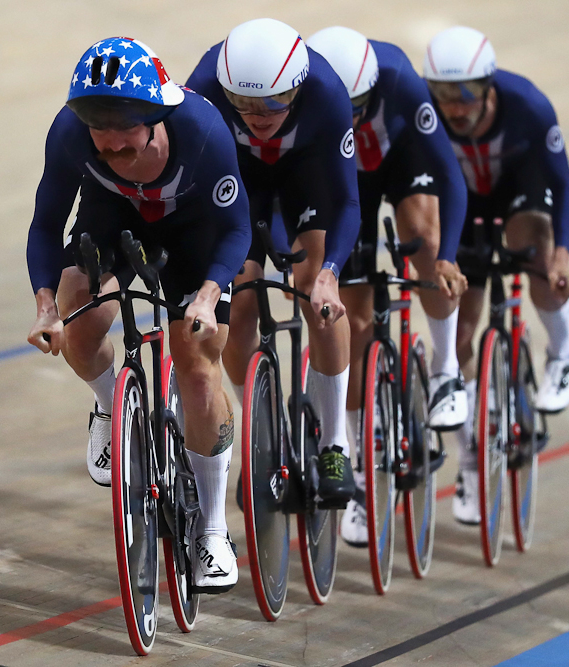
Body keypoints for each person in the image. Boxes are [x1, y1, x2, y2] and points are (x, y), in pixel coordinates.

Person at [25, 37, 251, 592]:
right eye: (95, 123)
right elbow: (43, 225)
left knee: (198, 364)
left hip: (194, 232)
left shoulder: (202, 131)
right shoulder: (69, 134)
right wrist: (46, 304)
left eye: (123, 127)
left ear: (156, 116)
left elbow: (236, 228)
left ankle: (214, 530)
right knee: (78, 322)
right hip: (112, 219)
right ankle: (110, 407)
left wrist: (207, 295)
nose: (107, 139)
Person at [186, 19, 362, 502]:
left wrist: (331, 275)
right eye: (242, 104)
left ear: (298, 87)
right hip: (241, 180)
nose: (257, 115)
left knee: (315, 288)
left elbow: (347, 201)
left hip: (305, 177)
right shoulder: (202, 87)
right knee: (238, 300)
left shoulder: (326, 91)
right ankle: (259, 424)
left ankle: (334, 444)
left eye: (273, 103)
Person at [306, 26, 469, 547]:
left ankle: (445, 370)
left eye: (354, 104)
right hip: (346, 173)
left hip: (402, 162)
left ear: (372, 89)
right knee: (348, 321)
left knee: (422, 236)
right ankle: (353, 463)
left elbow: (449, 173)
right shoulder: (310, 99)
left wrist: (444, 258)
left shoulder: (399, 80)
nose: (345, 111)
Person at [424, 26, 569, 524]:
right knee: (461, 332)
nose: (455, 105)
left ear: (489, 84)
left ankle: (562, 352)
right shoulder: (427, 117)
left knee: (536, 248)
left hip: (520, 191)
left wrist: (563, 258)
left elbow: (565, 187)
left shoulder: (528, 105)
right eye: (443, 94)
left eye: (466, 91)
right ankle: (471, 460)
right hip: (465, 205)